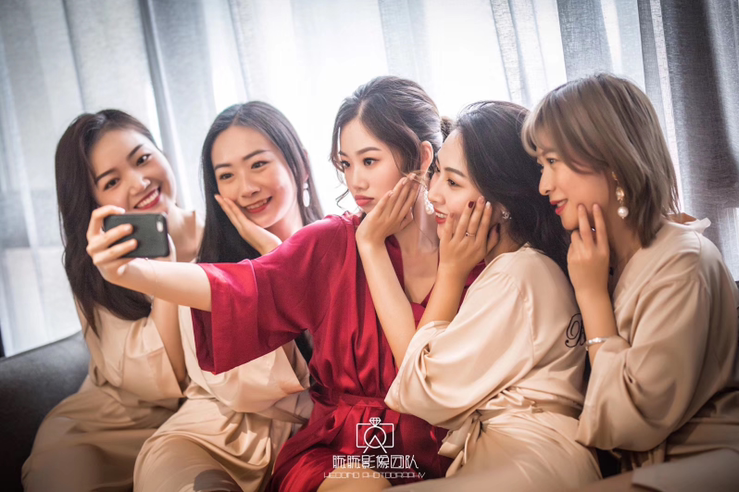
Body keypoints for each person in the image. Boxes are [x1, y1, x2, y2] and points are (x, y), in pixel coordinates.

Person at [88, 76, 482, 491]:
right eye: (345, 165)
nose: (356, 182)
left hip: (442, 451)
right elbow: (240, 286)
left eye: (369, 161)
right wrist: (133, 272)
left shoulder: (469, 247)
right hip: (340, 453)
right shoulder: (332, 242)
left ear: (422, 156)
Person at [354, 101, 600, 491]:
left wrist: (450, 272)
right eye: (436, 173)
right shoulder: (517, 270)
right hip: (519, 456)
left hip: (531, 461)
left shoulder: (516, 276)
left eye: (453, 183)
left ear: (501, 204)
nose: (433, 193)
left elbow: (420, 388)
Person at [523, 72, 739, 491]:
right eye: (541, 165)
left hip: (717, 457)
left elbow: (634, 420)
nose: (543, 185)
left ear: (611, 160)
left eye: (553, 162)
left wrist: (591, 297)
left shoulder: (683, 261)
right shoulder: (602, 259)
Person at [134, 101, 321, 491]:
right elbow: (244, 390)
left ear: (301, 163)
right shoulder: (208, 275)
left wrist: (279, 257)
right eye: (227, 175)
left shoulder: (351, 246)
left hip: (312, 447)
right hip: (207, 440)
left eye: (258, 164)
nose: (246, 188)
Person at [22, 110, 203, 492]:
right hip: (113, 425)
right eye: (112, 181)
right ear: (93, 203)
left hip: (207, 422)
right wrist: (162, 270)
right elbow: (156, 381)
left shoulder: (220, 235)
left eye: (143, 158)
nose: (139, 182)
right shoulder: (97, 268)